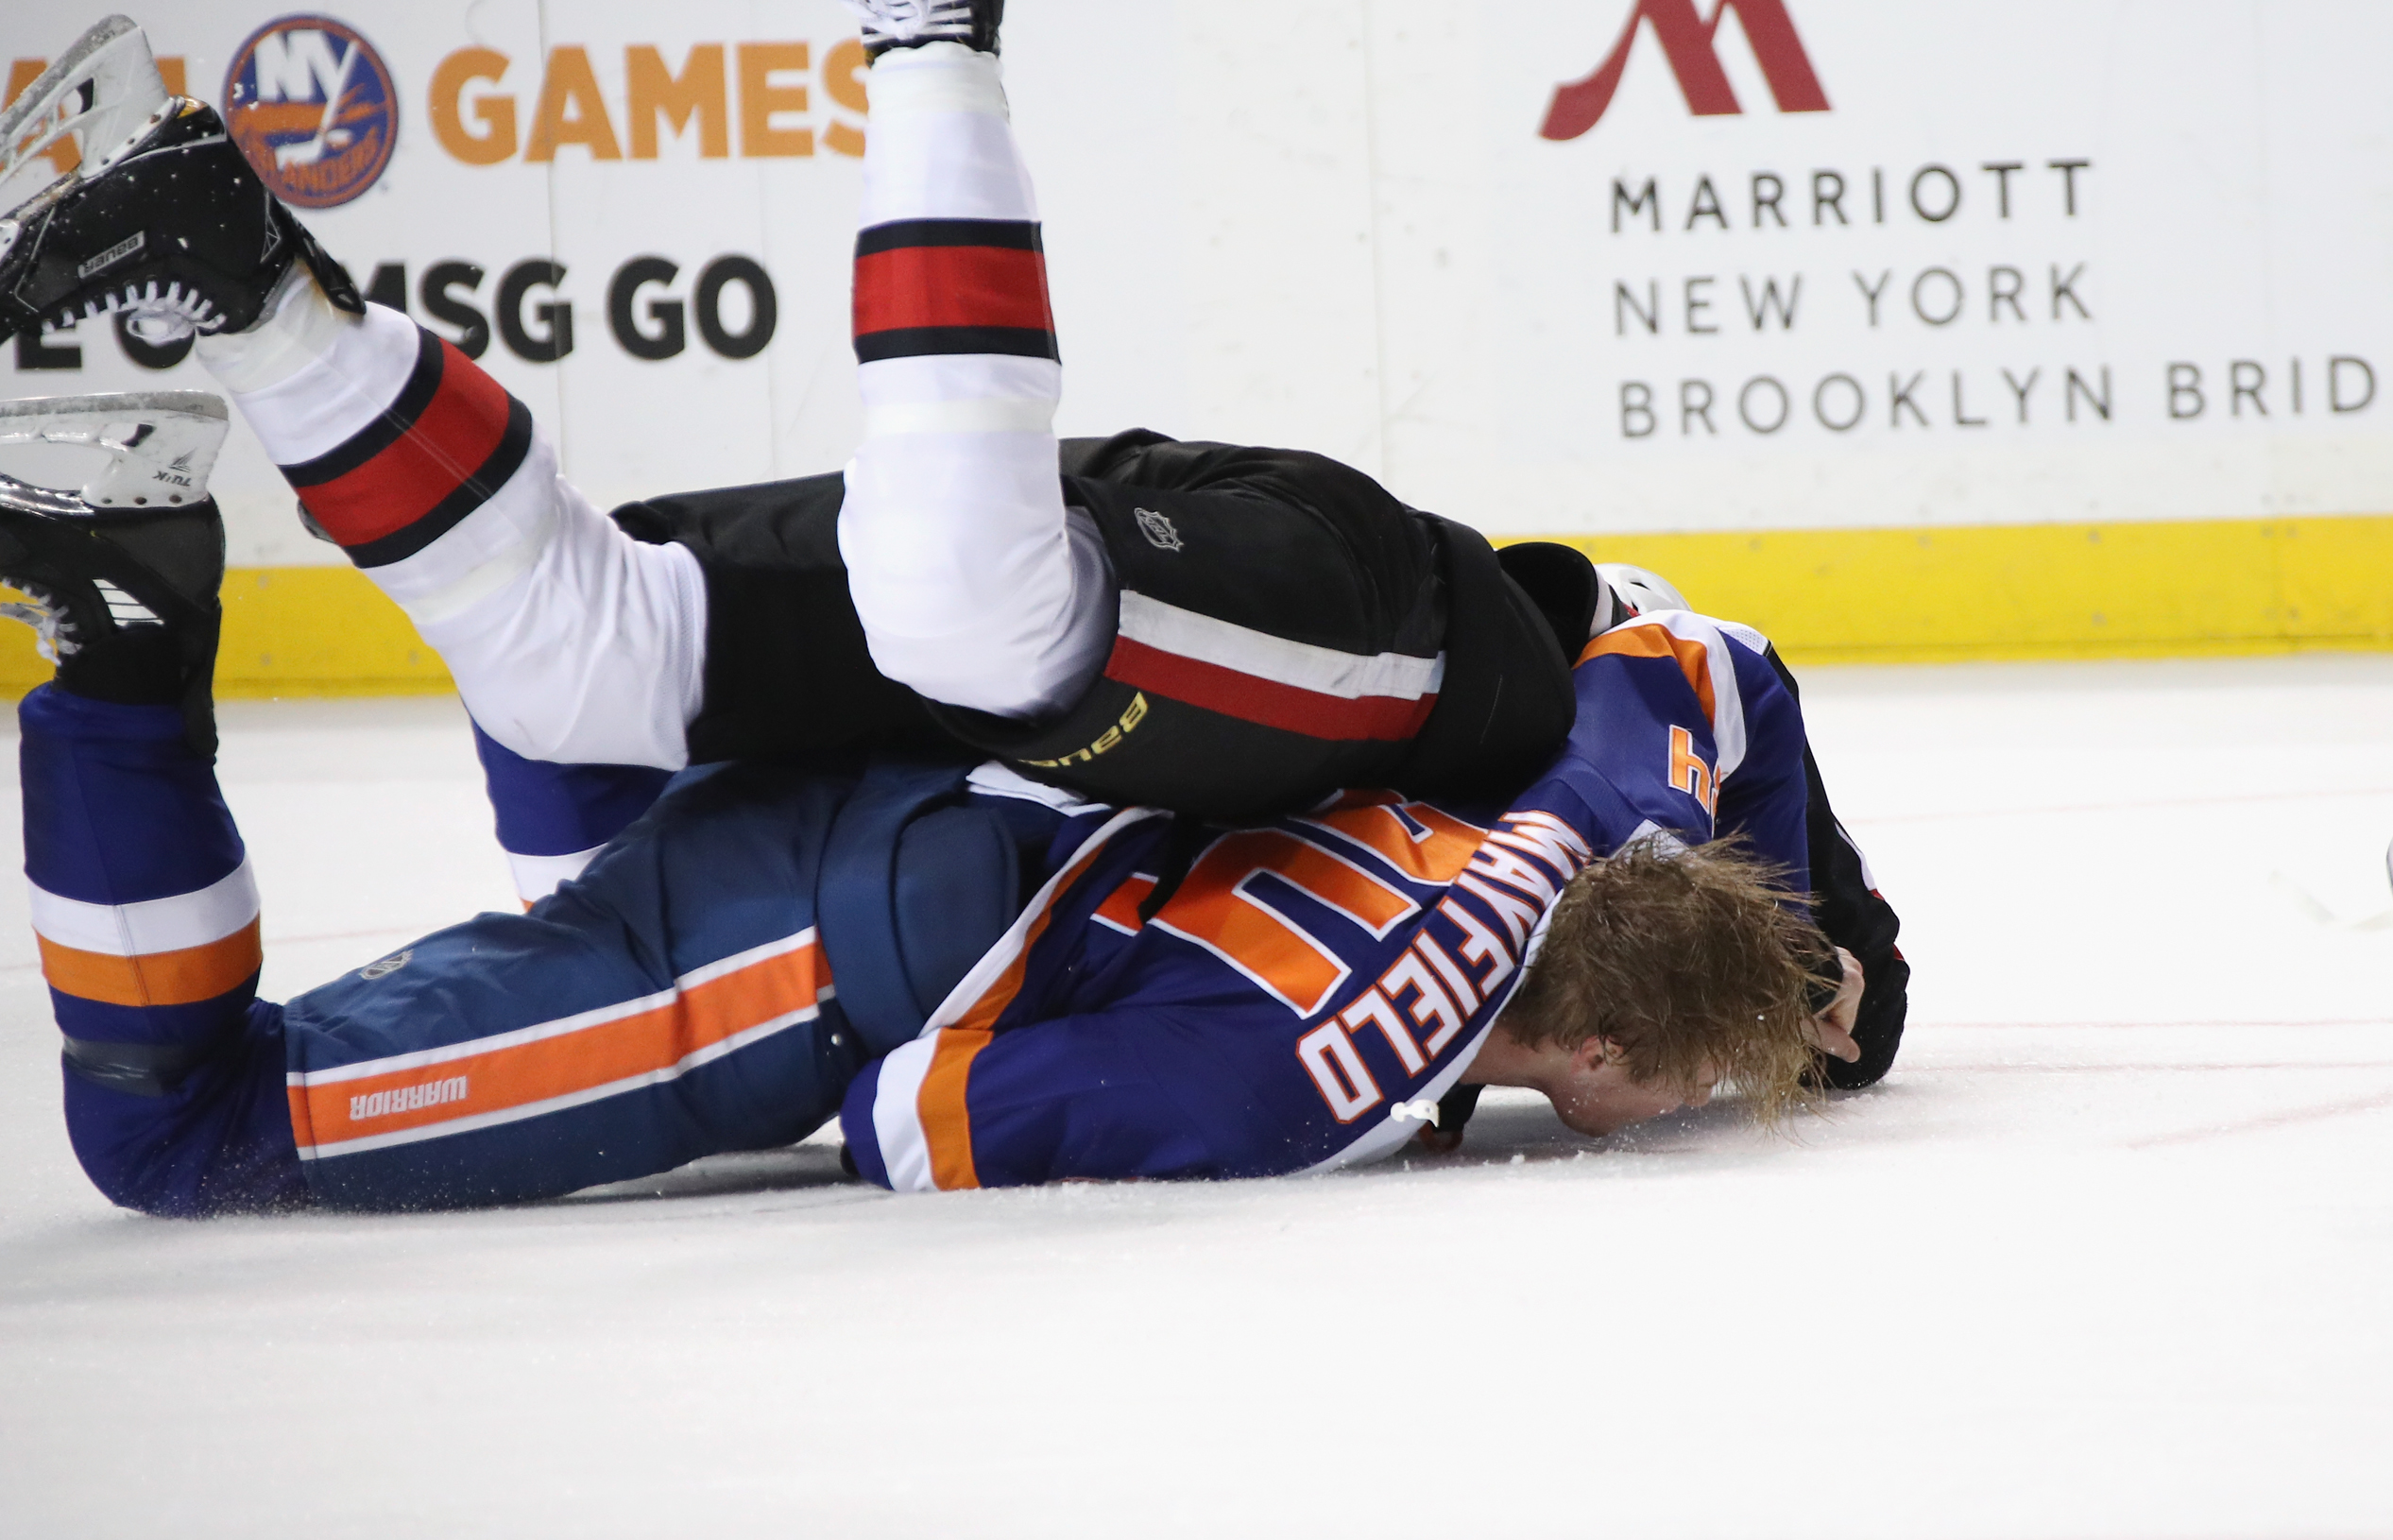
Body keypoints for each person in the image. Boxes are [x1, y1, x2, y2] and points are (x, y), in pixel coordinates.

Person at [2, 382, 1843, 1212]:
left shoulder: (1589, 795)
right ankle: (120, 621)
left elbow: (1709, 649)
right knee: (187, 1138)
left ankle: (286, 351)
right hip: (808, 928)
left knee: (578, 638)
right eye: (1680, 1078)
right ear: (1593, 1053)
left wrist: (1814, 942)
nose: (1685, 1100)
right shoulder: (1310, 1074)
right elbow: (903, 1118)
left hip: (928, 737)